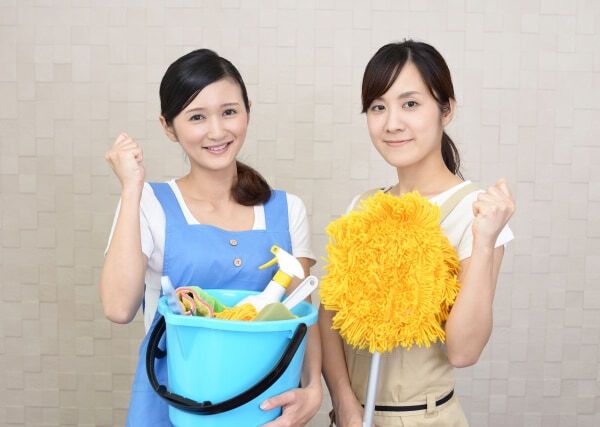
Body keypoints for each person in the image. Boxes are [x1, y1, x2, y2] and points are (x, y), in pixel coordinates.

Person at [100, 48, 322, 427]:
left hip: (263, 410)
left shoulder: (287, 210)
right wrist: (131, 187)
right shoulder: (149, 203)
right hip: (171, 408)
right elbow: (118, 308)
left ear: (248, 111)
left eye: (229, 111)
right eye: (197, 117)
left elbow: (301, 315)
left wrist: (313, 387)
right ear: (168, 126)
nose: (217, 131)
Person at [319, 40, 516, 427]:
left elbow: (464, 351)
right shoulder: (362, 206)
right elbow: (329, 317)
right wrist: (343, 403)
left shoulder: (476, 213)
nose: (392, 123)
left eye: (410, 104)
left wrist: (485, 241)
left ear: (446, 110)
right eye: (378, 107)